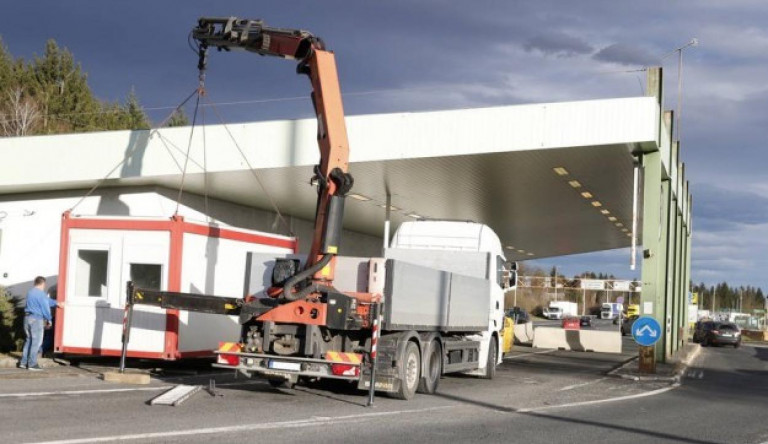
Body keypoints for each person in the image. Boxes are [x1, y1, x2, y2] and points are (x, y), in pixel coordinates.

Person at [18, 276, 61, 371]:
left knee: (29, 341)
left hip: (27, 318)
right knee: (36, 342)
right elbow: (45, 307)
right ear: (42, 284)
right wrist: (49, 319)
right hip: (36, 319)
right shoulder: (41, 294)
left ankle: (23, 362)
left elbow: (46, 301)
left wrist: (56, 302)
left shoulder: (30, 292)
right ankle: (32, 364)